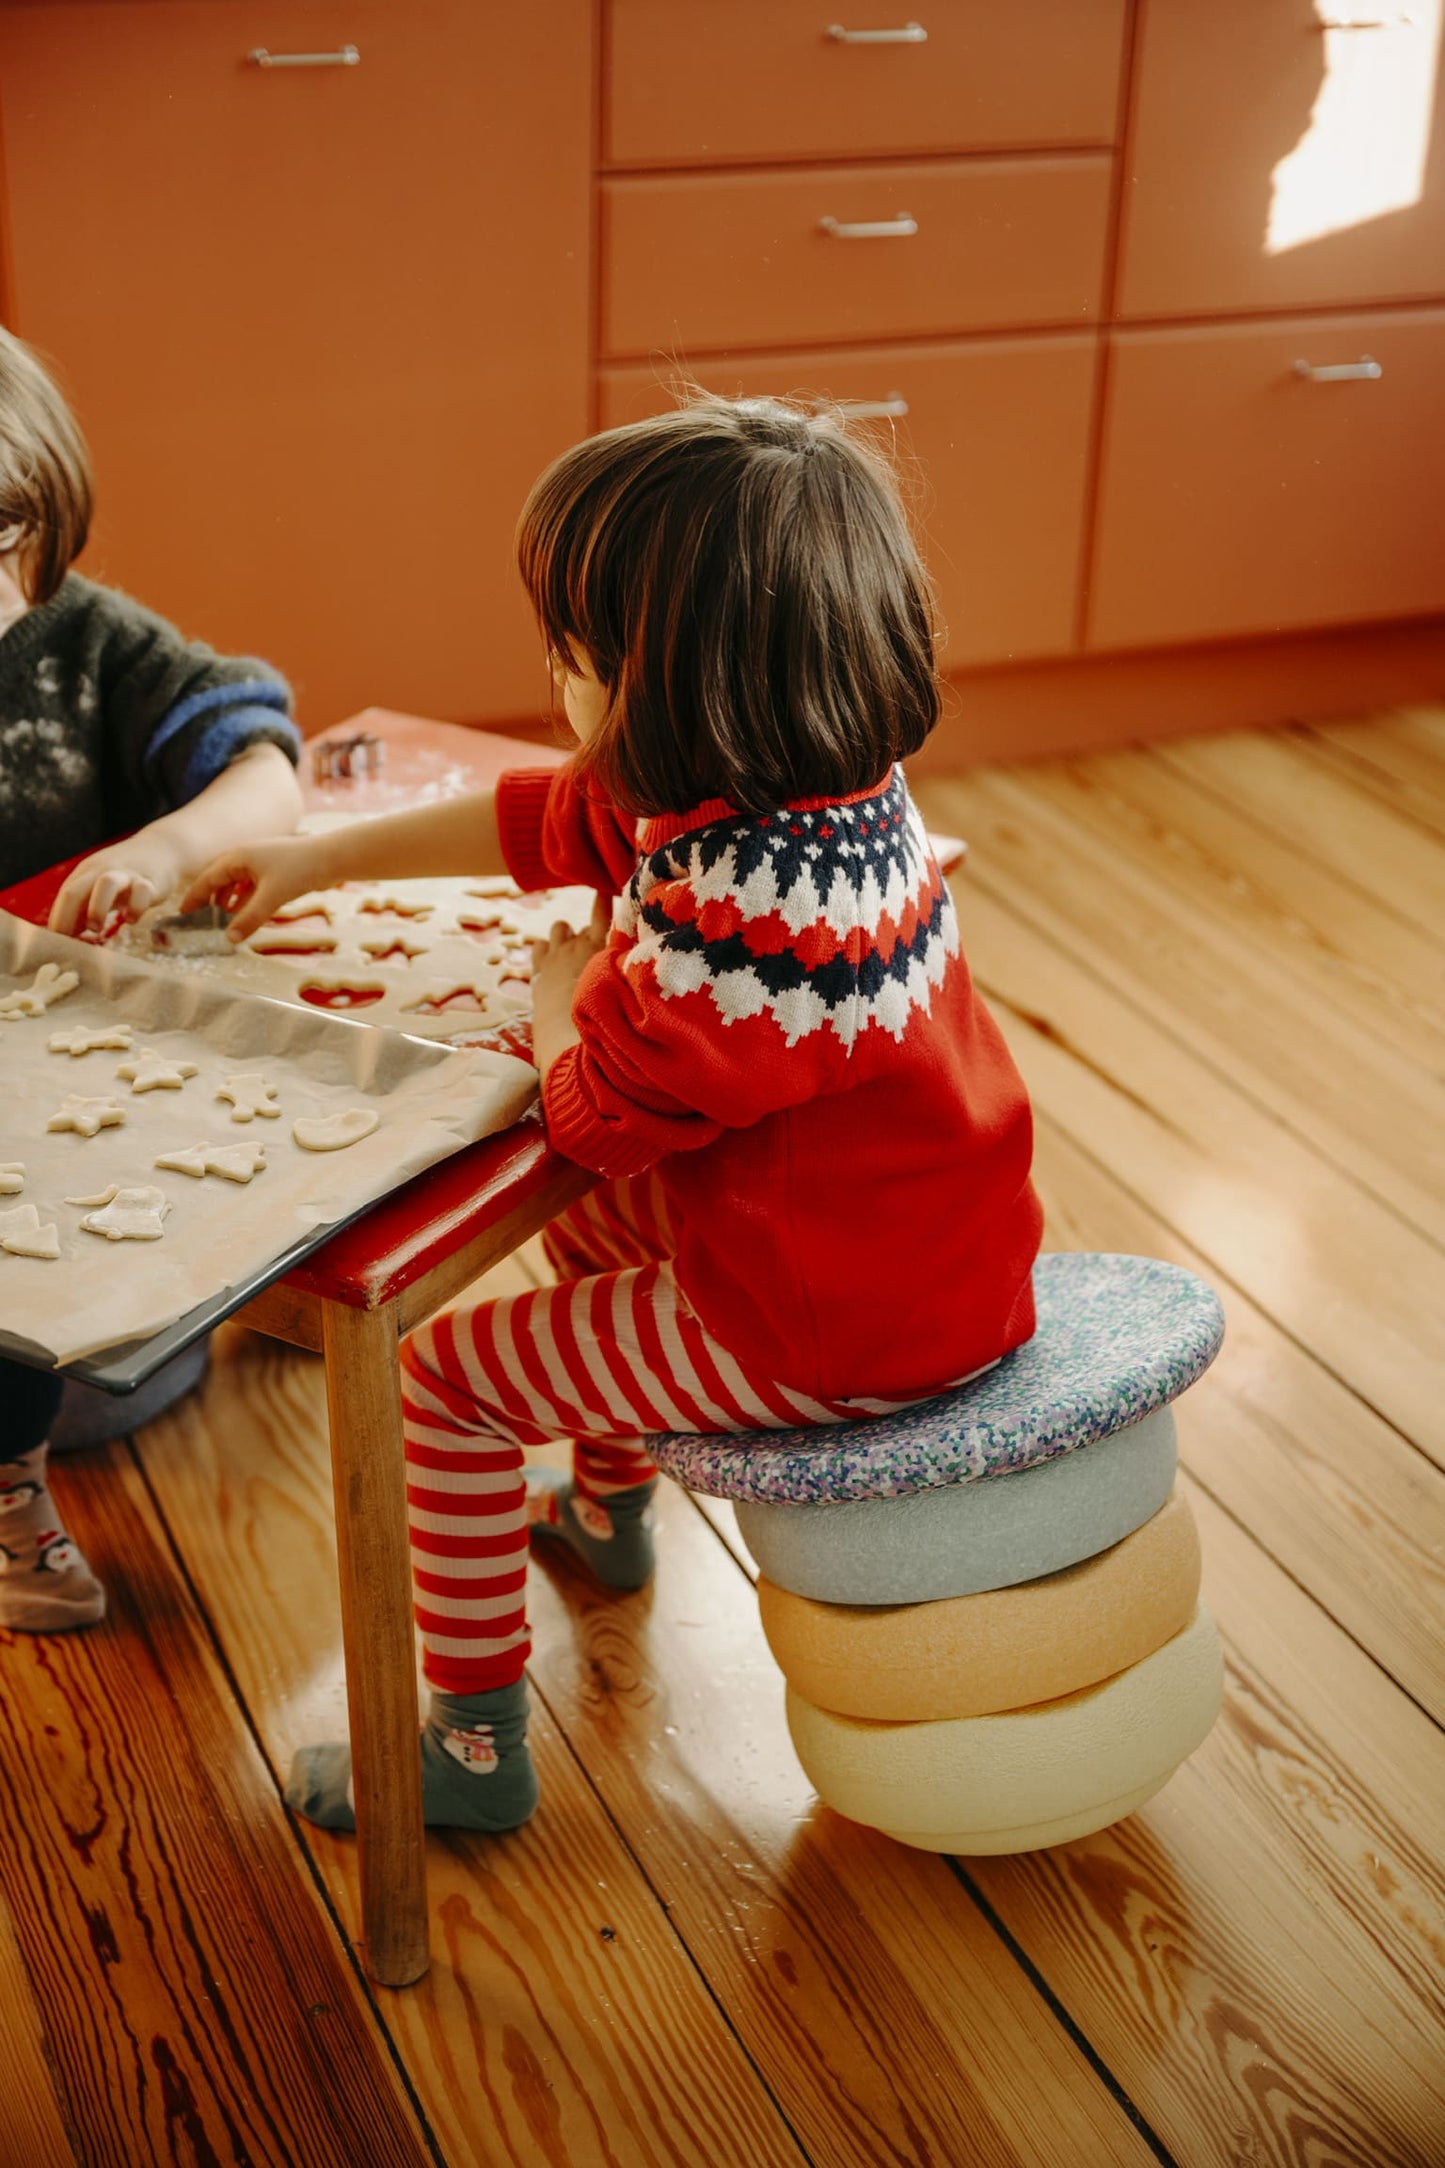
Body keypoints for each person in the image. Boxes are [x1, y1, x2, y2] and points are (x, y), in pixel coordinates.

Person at [184, 394, 1043, 1831]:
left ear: (677, 685)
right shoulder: (803, 788)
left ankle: (467, 1752)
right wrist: (306, 859)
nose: (554, 679)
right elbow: (550, 814)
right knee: (598, 1248)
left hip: (824, 1324)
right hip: (912, 1252)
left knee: (443, 1383)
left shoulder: (742, 932)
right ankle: (606, 1514)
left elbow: (587, 1116)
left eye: (576, 659)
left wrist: (562, 995)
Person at [0, 325, 304, 1632]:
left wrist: (171, 841)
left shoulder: (91, 651)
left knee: (132, 1373)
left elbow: (264, 764)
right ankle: (12, 1489)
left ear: (40, 516)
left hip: (100, 1115)